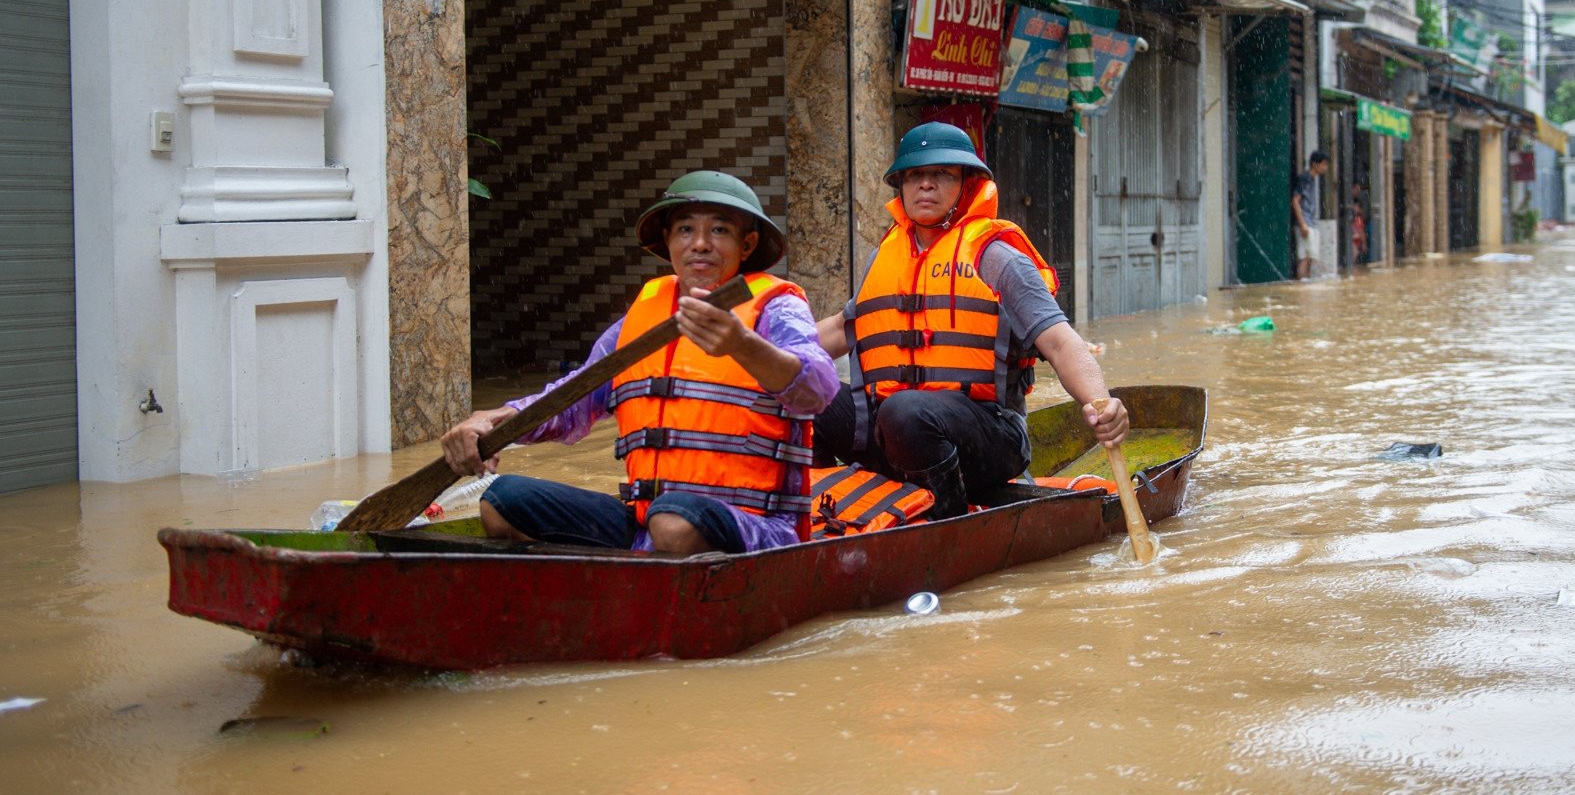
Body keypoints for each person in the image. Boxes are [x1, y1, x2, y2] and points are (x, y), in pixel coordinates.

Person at [440, 171, 836, 555]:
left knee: (674, 521)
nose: (699, 244)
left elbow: (818, 388)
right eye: (685, 230)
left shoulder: (777, 308)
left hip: (759, 528)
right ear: (668, 241)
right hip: (647, 525)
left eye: (719, 230)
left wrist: (742, 344)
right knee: (500, 502)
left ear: (746, 245)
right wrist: (496, 421)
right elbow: (571, 400)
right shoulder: (637, 322)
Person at [813, 123, 1128, 520]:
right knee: (803, 388)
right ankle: (814, 510)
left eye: (941, 174)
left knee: (905, 411)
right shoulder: (887, 256)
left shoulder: (999, 259)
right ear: (902, 185)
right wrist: (754, 358)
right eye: (914, 175)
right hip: (894, 436)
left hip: (987, 440)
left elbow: (1062, 343)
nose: (925, 185)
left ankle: (950, 515)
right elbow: (840, 329)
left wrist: (1101, 403)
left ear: (967, 184)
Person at [1293, 150, 1329, 279]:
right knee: (1305, 258)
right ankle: (1303, 287)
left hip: (1309, 222)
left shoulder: (1311, 180)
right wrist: (1303, 224)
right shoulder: (1305, 179)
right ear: (1315, 164)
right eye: (1324, 164)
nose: (1326, 167)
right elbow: (1295, 201)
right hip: (1306, 222)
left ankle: (1304, 287)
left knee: (1308, 259)